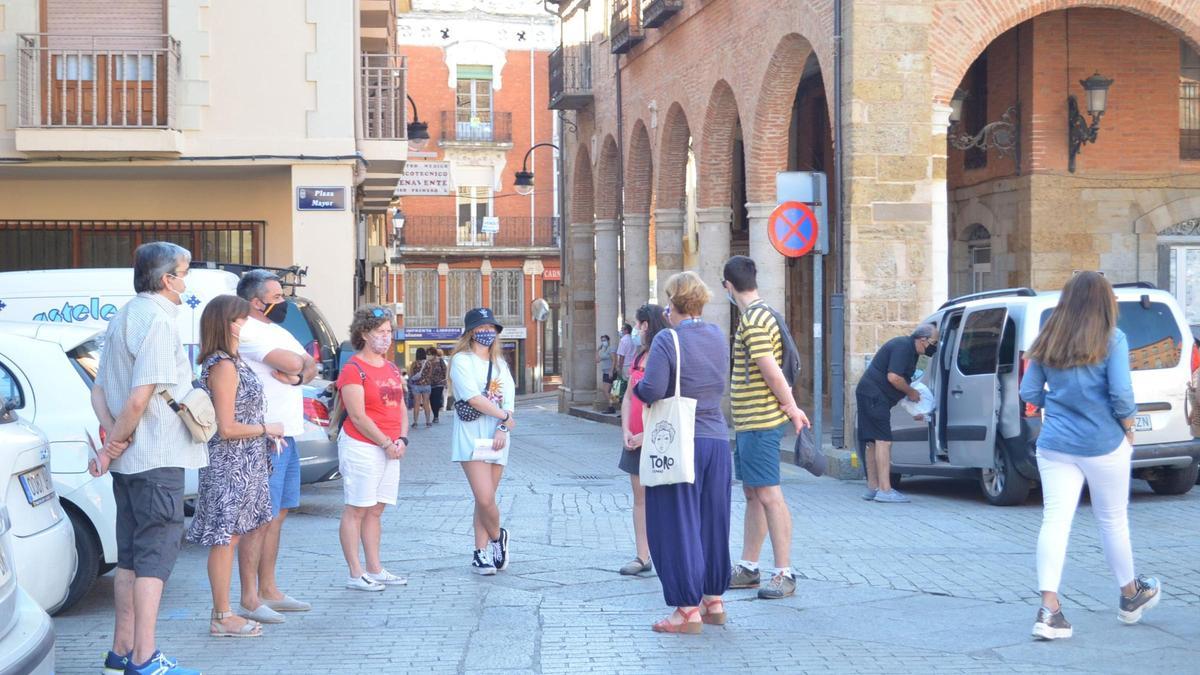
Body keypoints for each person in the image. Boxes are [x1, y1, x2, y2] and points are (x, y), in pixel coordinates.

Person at [1019, 271, 1161, 640]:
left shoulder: (1048, 338)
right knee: (1112, 520)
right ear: (1104, 302)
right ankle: (1131, 596)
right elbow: (1122, 395)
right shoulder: (1113, 339)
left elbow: (1029, 390)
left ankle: (1049, 611)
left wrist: (1063, 402)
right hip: (1103, 443)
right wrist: (1128, 427)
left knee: (1055, 521)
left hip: (1055, 444)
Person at [90, 242, 208, 675]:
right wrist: (113, 443)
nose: (186, 280)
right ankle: (144, 657)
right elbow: (140, 397)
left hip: (129, 462)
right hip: (156, 456)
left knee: (131, 559)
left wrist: (113, 441)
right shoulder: (157, 320)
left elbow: (100, 390)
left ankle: (121, 651)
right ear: (166, 280)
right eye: (185, 272)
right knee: (155, 559)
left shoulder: (123, 315)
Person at [632, 271, 732, 634]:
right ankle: (713, 600)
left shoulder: (666, 340)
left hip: (681, 440)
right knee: (712, 519)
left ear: (672, 302)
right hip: (717, 438)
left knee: (677, 521)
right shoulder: (718, 336)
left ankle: (685, 610)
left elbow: (654, 388)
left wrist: (639, 388)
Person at [186, 295, 281, 639]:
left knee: (235, 534)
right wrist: (267, 429)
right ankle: (222, 614)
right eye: (239, 319)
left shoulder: (230, 362)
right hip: (230, 463)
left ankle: (226, 612)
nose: (245, 324)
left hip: (245, 461)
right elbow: (226, 427)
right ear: (225, 323)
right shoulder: (223, 365)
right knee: (225, 538)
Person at [721, 256, 812, 600]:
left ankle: (784, 572)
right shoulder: (760, 314)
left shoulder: (754, 321)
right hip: (750, 423)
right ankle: (749, 567)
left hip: (760, 421)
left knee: (770, 496)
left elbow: (769, 369)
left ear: (728, 285)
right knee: (754, 494)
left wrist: (791, 409)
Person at [232, 269, 317, 624]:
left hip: (288, 433)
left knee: (278, 514)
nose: (282, 302)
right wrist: (298, 368)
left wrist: (299, 374)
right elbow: (295, 361)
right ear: (256, 302)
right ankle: (249, 598)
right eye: (276, 297)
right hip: (265, 436)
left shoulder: (276, 330)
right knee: (258, 519)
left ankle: (269, 589)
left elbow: (310, 365)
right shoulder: (247, 329)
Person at [336, 305, 410, 591]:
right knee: (357, 507)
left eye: (389, 332)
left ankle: (375, 568)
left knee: (376, 510)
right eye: (381, 332)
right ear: (364, 333)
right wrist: (385, 442)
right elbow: (357, 416)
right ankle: (356, 573)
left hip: (391, 448)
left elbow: (402, 407)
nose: (387, 337)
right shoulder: (354, 370)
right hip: (363, 446)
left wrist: (402, 440)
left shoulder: (391, 368)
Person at [450, 307, 516, 576]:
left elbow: (510, 401)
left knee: (484, 500)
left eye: (491, 328)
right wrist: (503, 416)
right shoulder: (461, 361)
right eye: (481, 328)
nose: (486, 332)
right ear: (470, 332)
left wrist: (503, 426)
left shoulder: (500, 364)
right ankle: (497, 536)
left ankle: (480, 553)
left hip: (497, 439)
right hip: (471, 438)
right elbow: (473, 397)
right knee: (484, 497)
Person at [855, 323, 940, 504]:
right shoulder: (904, 348)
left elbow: (897, 383)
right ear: (923, 340)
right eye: (934, 342)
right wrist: (911, 392)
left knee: (871, 441)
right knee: (883, 441)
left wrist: (914, 408)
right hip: (875, 396)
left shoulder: (908, 349)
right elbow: (894, 378)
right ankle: (885, 490)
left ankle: (873, 488)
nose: (935, 346)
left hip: (869, 393)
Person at [618, 303, 669, 576]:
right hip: (633, 438)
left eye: (638, 324)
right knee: (640, 499)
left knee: (663, 499)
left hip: (658, 440)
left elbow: (667, 405)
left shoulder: (664, 356)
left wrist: (645, 436)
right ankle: (642, 555)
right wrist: (626, 430)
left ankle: (667, 553)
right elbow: (628, 397)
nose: (636, 329)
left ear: (647, 325)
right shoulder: (639, 356)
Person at [409, 347, 435, 428]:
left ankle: (415, 422)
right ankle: (428, 422)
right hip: (426, 385)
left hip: (416, 386)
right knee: (426, 403)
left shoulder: (414, 363)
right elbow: (430, 374)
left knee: (416, 404)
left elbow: (411, 375)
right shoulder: (429, 363)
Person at [428, 347, 448, 424]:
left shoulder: (440, 361)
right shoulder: (427, 362)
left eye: (430, 354)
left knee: (436, 399)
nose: (429, 355)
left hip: (439, 383)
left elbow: (445, 370)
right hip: (429, 384)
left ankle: (436, 416)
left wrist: (445, 381)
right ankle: (435, 414)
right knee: (431, 400)